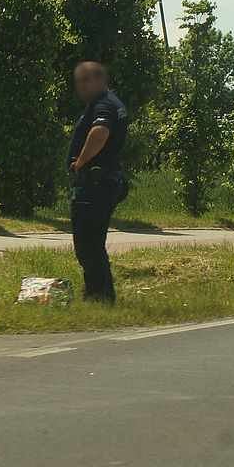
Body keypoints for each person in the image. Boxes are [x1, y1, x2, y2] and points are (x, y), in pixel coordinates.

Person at [67, 61, 129, 303]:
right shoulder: (112, 103)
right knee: (92, 242)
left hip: (95, 182)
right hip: (104, 181)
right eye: (78, 81)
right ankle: (99, 293)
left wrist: (81, 161)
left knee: (87, 244)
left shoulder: (103, 105)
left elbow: (100, 132)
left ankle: (99, 295)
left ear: (101, 80)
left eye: (86, 80)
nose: (81, 86)